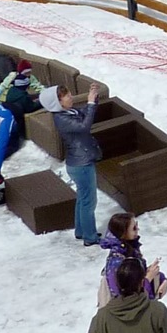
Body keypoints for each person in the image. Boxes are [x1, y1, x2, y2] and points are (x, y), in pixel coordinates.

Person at [44, 82, 103, 245]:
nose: (71, 97)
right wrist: (90, 103)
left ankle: (81, 230)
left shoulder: (69, 112)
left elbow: (85, 113)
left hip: (79, 162)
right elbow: (84, 126)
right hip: (81, 164)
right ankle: (90, 236)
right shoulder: (61, 119)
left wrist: (93, 98)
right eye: (67, 96)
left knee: (82, 198)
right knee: (89, 201)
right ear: (58, 102)